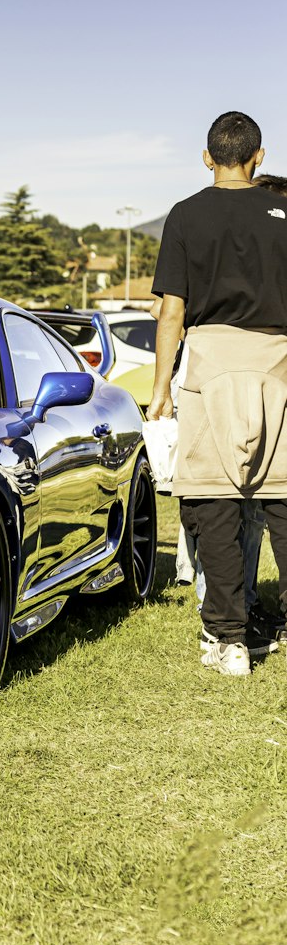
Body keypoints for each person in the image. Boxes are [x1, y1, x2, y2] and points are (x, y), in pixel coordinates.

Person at [148, 110, 287, 676]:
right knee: (283, 501)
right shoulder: (284, 215)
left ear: (208, 158)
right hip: (279, 363)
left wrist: (160, 389)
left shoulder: (184, 215)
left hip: (209, 363)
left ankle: (227, 640)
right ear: (259, 157)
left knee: (216, 503)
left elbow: (172, 312)